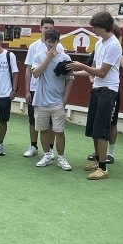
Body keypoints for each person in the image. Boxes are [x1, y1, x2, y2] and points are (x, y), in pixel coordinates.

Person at [65, 11, 123, 180]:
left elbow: (103, 72)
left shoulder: (114, 45)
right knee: (93, 128)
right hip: (98, 88)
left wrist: (80, 66)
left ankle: (103, 168)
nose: (93, 30)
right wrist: (72, 71)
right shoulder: (100, 43)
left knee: (102, 129)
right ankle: (99, 161)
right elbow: (95, 71)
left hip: (108, 90)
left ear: (104, 26)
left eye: (95, 27)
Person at [29, 28, 74, 170]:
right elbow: (35, 74)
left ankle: (61, 157)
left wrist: (64, 101)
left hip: (57, 102)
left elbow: (69, 80)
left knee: (59, 132)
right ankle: (47, 155)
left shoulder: (65, 58)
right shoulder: (38, 56)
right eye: (49, 42)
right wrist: (48, 57)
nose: (51, 45)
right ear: (46, 42)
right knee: (43, 130)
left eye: (54, 42)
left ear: (57, 42)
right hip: (41, 101)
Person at [24, 17, 64, 158]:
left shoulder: (60, 47)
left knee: (52, 122)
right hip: (36, 88)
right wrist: (27, 90)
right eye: (46, 28)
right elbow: (29, 69)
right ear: (40, 28)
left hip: (52, 91)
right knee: (33, 120)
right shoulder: (34, 47)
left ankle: (51, 149)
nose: (48, 30)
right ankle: (33, 146)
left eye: (51, 28)